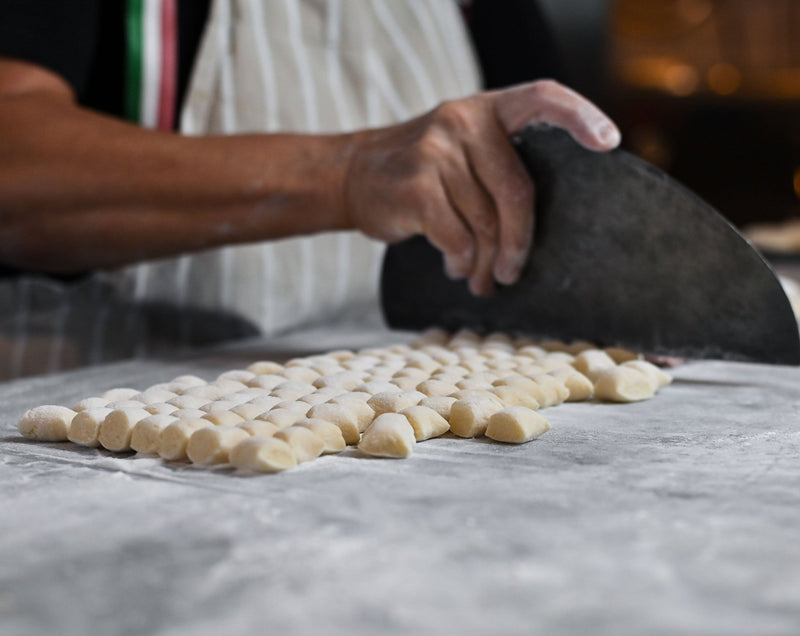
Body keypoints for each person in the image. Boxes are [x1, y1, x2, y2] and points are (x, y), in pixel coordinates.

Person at [0, 0, 620, 379]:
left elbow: (554, 180)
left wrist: (609, 288)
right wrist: (349, 172)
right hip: (102, 426)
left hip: (378, 404)